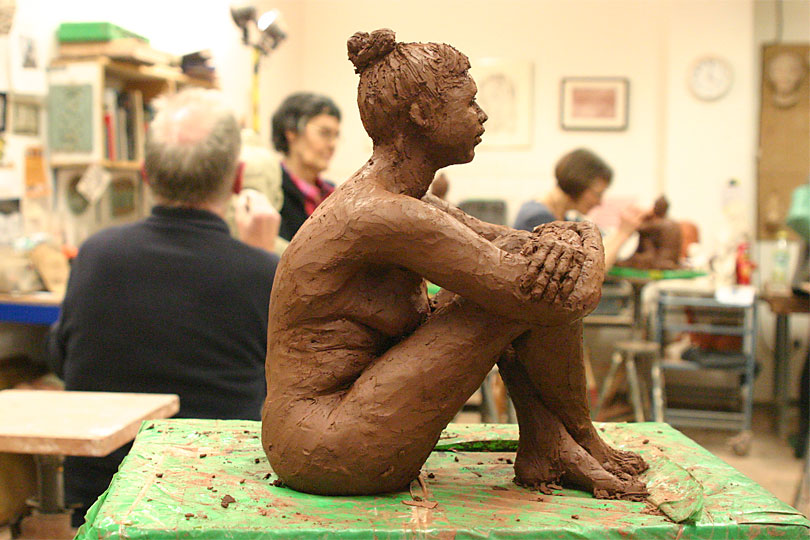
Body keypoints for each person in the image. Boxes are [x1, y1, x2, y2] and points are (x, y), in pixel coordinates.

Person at [262, 29, 647, 500]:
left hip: (337, 425)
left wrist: (568, 236)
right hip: (325, 444)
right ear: (423, 115)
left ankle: (552, 441)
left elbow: (519, 245)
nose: (481, 116)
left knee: (522, 280)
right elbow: (554, 295)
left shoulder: (406, 202)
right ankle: (573, 438)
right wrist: (586, 236)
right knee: (519, 295)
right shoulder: (382, 213)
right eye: (469, 102)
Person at [48, 88, 280, 526]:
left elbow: (61, 360)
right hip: (220, 506)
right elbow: (289, 385)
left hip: (103, 506)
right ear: (237, 179)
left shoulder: (94, 254)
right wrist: (263, 261)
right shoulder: (264, 271)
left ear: (145, 175)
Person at [513, 148, 645, 269]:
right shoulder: (537, 218)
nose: (599, 202)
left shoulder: (564, 218)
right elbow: (588, 271)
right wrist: (623, 233)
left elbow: (599, 250)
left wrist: (625, 228)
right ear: (578, 184)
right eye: (597, 194)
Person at [271, 92, 341, 241]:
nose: (333, 144)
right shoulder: (272, 191)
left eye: (336, 135)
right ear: (291, 131)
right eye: (324, 133)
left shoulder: (333, 195)